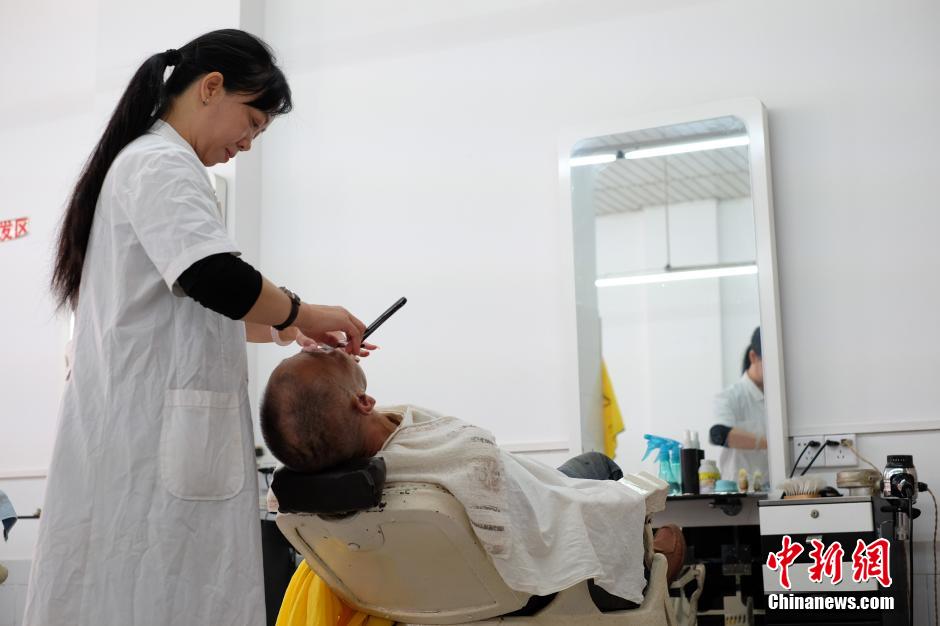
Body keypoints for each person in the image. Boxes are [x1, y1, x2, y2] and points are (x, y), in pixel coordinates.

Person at [25, 30, 374, 626]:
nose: (248, 142)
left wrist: (289, 332)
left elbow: (187, 308)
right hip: (151, 447)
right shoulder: (159, 164)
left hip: (152, 440)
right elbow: (214, 277)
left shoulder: (149, 164)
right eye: (253, 121)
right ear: (212, 87)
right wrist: (302, 311)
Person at [259, 348, 650, 604]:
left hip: (439, 592)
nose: (321, 347)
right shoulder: (463, 456)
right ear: (364, 402)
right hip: (521, 580)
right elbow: (534, 518)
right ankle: (657, 552)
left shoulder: (314, 486)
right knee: (600, 468)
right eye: (320, 353)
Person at [709, 327, 768, 483]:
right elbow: (718, 434)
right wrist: (770, 444)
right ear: (753, 356)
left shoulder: (777, 400)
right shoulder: (729, 397)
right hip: (739, 493)